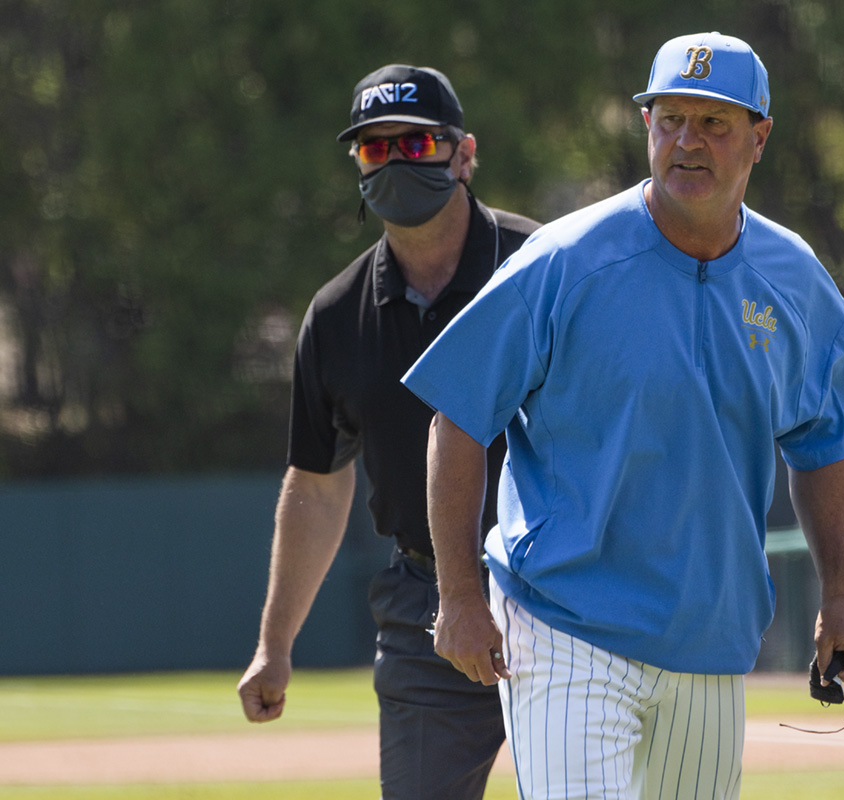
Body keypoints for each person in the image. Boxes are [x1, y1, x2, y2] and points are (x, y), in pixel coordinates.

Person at [402, 32, 844, 798]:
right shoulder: (568, 260)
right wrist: (459, 595)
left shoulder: (796, 281)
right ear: (646, 127)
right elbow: (457, 417)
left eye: (714, 123)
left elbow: (822, 441)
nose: (687, 142)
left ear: (759, 138)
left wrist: (838, 596)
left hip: (709, 640)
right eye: (669, 119)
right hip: (564, 623)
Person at [235, 64, 540, 800]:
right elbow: (315, 484)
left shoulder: (541, 266)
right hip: (424, 605)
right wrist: (274, 648)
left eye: (416, 144)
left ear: (463, 154)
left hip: (562, 591)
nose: (396, 162)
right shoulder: (337, 315)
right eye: (375, 150)